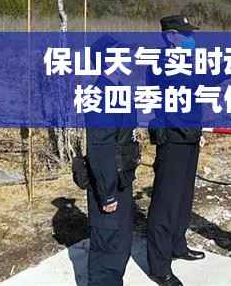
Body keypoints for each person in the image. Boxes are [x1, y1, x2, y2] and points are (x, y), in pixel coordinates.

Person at [146, 15, 206, 286]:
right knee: (166, 203)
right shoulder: (160, 63)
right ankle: (159, 266)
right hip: (172, 138)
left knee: (183, 198)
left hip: (190, 137)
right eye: (186, 35)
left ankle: (177, 245)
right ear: (171, 36)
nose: (191, 39)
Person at [86, 35, 140, 286]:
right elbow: (100, 148)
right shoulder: (100, 94)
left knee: (119, 243)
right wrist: (107, 194)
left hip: (121, 178)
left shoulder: (118, 89)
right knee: (107, 245)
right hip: (109, 183)